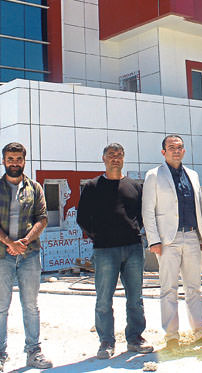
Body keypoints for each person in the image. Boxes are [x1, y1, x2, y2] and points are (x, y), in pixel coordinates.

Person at [142, 134, 202, 349]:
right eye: (171, 147)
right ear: (163, 152)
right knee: (169, 289)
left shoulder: (192, 175)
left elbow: (198, 208)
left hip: (192, 236)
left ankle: (201, 331)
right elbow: (148, 210)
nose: (176, 151)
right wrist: (153, 240)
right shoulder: (154, 175)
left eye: (179, 147)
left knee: (194, 287)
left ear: (184, 151)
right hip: (168, 240)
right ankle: (172, 337)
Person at [76, 143, 153, 359]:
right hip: (105, 250)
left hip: (133, 248)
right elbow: (82, 217)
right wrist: (98, 236)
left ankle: (135, 338)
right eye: (111, 155)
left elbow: (141, 215)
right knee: (103, 299)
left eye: (119, 155)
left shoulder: (134, 186)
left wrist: (134, 231)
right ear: (103, 159)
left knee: (135, 298)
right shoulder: (92, 186)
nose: (116, 158)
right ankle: (106, 342)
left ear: (123, 158)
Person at [0, 142, 52, 373]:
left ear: (24, 161)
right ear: (3, 161)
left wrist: (24, 242)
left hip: (29, 255)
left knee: (31, 306)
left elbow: (42, 219)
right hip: (0, 255)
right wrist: (9, 243)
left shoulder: (35, 188)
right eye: (10, 159)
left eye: (18, 159)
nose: (14, 163)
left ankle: (34, 352)